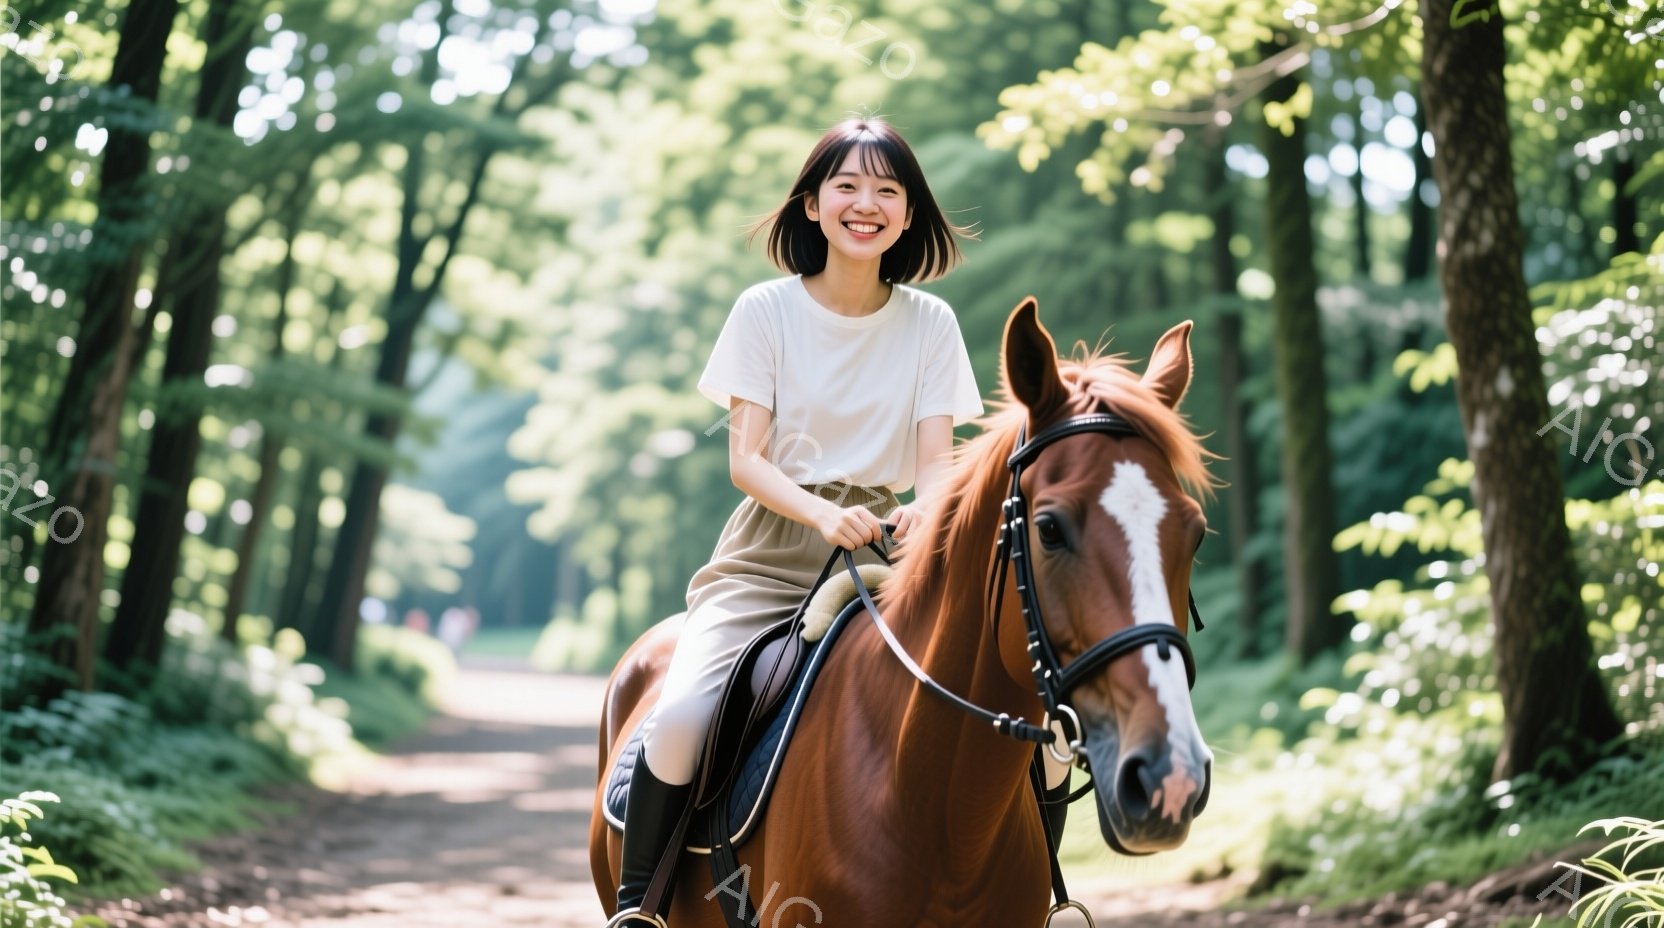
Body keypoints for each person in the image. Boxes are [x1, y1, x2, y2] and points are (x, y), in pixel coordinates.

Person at [608, 116, 983, 926]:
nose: (866, 203)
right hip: (771, 553)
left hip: (892, 554)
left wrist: (919, 515)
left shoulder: (932, 324)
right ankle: (639, 905)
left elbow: (935, 464)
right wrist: (824, 514)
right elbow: (748, 459)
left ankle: (1041, 894)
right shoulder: (764, 310)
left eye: (888, 190)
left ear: (909, 214)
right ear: (812, 205)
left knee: (999, 697)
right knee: (677, 721)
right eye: (846, 185)